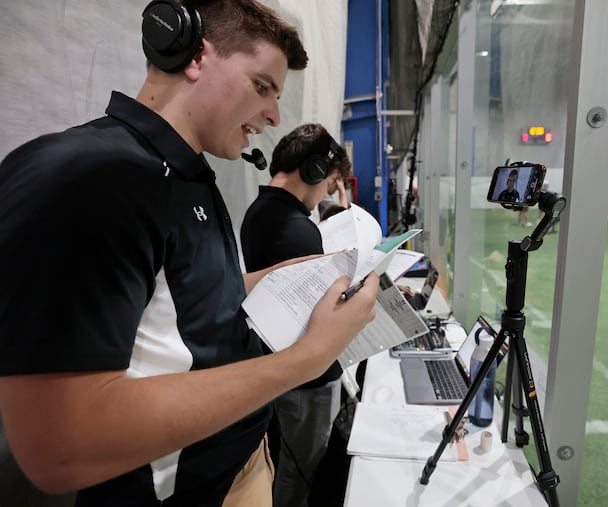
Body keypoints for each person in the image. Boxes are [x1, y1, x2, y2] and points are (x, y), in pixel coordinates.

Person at [0, 2, 379, 506]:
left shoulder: (184, 176)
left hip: (239, 465)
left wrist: (283, 277)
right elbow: (59, 445)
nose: (273, 116)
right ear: (195, 56)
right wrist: (304, 360)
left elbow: (177, 302)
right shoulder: (88, 180)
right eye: (262, 86)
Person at [239, 123, 352, 507]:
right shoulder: (295, 228)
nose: (325, 193)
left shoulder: (262, 211)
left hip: (288, 372)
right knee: (302, 469)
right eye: (329, 182)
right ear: (315, 172)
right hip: (308, 379)